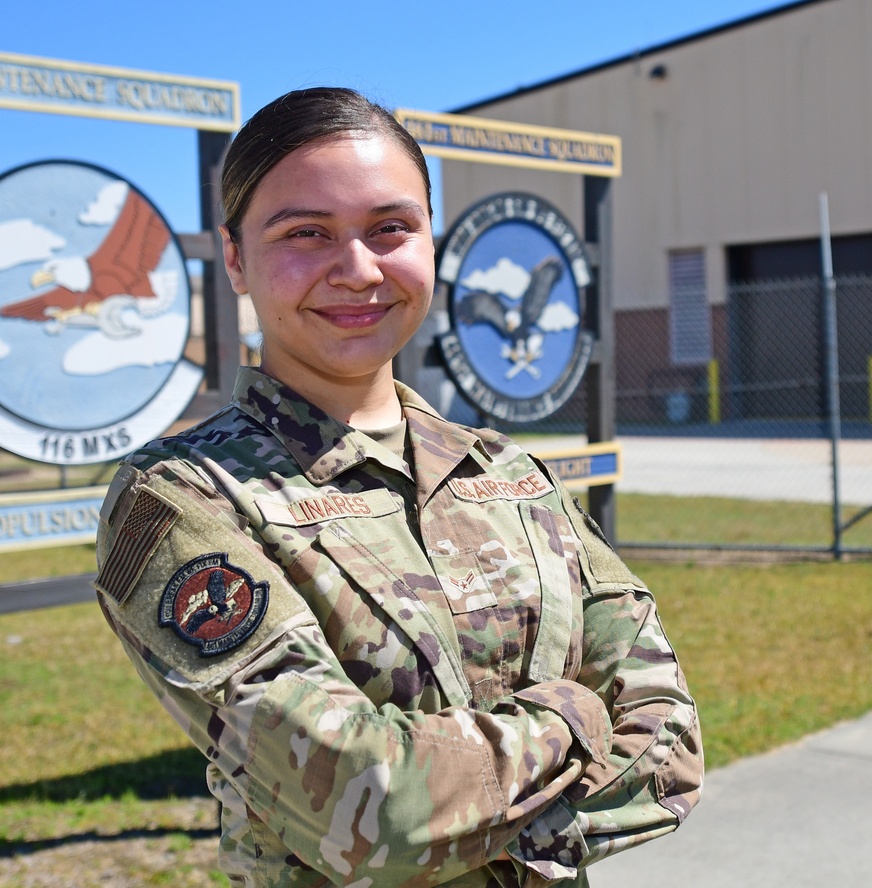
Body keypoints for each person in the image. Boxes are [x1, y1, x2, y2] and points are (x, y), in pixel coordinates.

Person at [94, 86, 702, 887]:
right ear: (236, 258)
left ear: (431, 244)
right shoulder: (184, 499)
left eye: (391, 229)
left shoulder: (507, 474)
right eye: (305, 233)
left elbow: (671, 745)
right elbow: (376, 807)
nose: (357, 270)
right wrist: (576, 715)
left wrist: (461, 804)